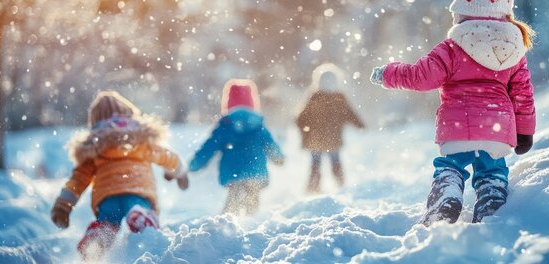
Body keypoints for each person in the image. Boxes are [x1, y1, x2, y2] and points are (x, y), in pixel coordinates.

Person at [370, 0, 536, 224]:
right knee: (492, 170)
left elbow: (420, 76)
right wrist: (525, 131)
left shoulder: (452, 46)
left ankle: (447, 194)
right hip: (498, 129)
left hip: (457, 126)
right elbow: (523, 95)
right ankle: (492, 199)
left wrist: (388, 73)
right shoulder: (514, 50)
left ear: (464, 7)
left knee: (451, 167)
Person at [50, 91, 189, 259]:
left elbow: (78, 180)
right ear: (128, 112)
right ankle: (140, 216)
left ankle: (97, 239)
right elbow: (167, 157)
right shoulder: (140, 139)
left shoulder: (94, 146)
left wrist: (63, 205)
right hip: (138, 192)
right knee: (139, 210)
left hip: (108, 197)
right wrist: (179, 173)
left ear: (95, 120)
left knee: (107, 224)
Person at [188, 79, 284, 215]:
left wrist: (194, 164)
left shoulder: (225, 125)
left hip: (233, 172)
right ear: (253, 101)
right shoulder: (258, 124)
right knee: (252, 205)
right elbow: (270, 144)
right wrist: (279, 158)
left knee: (232, 205)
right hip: (255, 172)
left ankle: (228, 226)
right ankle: (252, 226)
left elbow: (209, 147)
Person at [296, 63, 365, 192]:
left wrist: (305, 130)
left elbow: (300, 118)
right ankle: (341, 186)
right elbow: (350, 114)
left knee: (315, 165)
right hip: (333, 139)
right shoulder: (339, 98)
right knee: (336, 164)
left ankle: (313, 189)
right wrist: (360, 125)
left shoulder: (315, 97)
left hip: (315, 140)